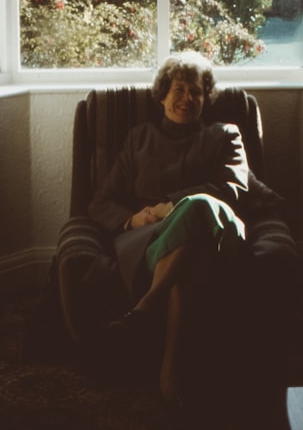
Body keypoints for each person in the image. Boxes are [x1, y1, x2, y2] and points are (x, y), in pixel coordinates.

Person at [87, 51, 250, 405]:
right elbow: (102, 201)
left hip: (217, 231)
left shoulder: (225, 136)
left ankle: (144, 309)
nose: (187, 99)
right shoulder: (138, 139)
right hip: (151, 239)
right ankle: (170, 370)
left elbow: (233, 190)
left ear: (206, 99)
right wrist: (134, 219)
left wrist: (172, 205)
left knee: (200, 206)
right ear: (162, 94)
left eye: (196, 92)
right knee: (190, 265)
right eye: (179, 89)